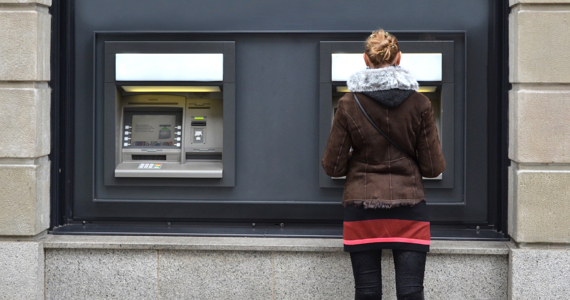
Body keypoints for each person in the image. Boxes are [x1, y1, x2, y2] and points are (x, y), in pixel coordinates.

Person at [321, 29, 445, 300]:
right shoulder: (421, 103)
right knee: (412, 292)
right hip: (409, 206)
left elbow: (333, 167)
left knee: (367, 293)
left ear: (366, 60)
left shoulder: (347, 104)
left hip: (363, 207)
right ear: (399, 58)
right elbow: (434, 167)